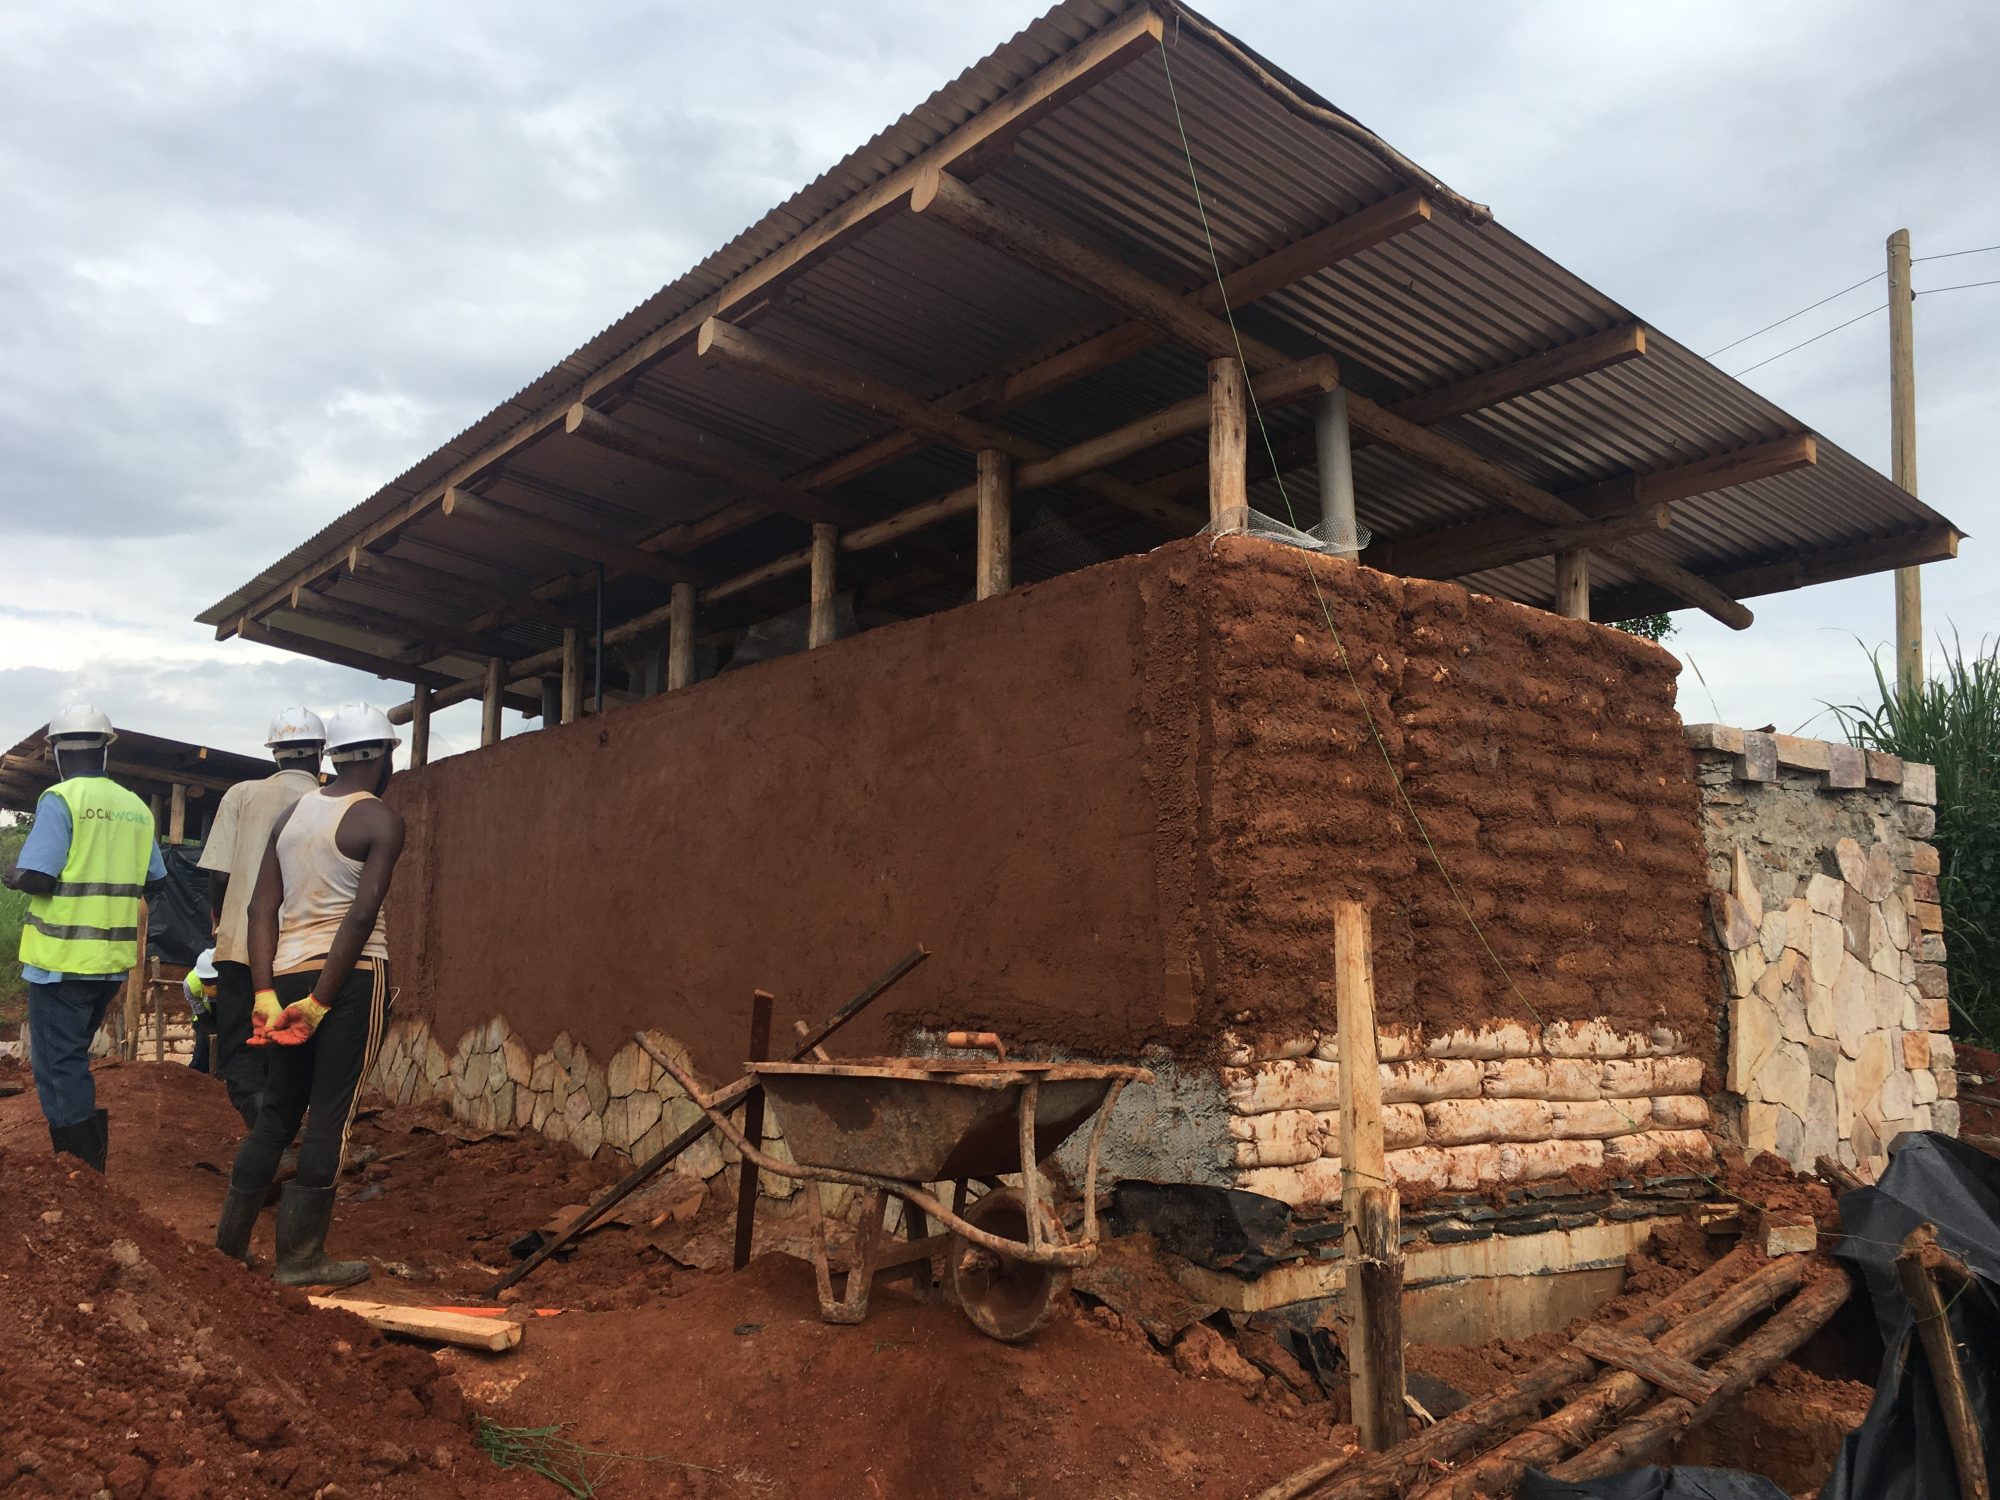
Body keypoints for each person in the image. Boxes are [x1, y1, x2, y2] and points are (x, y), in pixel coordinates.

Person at [215, 704, 404, 1287]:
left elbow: (259, 907)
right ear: (379, 754)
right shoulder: (379, 820)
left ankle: (227, 1248)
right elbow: (359, 917)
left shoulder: (294, 816)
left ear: (334, 755)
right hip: (349, 979)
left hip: (288, 971)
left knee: (277, 1110)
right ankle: (300, 1257)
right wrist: (323, 1002)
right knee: (331, 1114)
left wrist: (268, 992)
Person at [2, 705, 166, 1171]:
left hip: (61, 961)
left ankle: (80, 1172)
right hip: (111, 961)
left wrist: (13, 876)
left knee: (59, 1065)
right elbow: (155, 881)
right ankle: (84, 1164)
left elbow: (38, 875)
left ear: (56, 751)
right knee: (71, 1057)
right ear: (105, 749)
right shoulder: (134, 807)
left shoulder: (60, 799)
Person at [196, 708, 325, 1126]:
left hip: (242, 949)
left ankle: (266, 1139)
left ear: (275, 754)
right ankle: (294, 1139)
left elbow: (219, 872)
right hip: (308, 953)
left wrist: (224, 922)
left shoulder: (242, 795)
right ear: (320, 754)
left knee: (244, 1054)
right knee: (300, 1050)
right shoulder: (330, 802)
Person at [184, 947, 219, 1073]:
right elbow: (204, 1019)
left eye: (214, 981)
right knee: (201, 1056)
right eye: (206, 982)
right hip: (205, 1018)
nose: (210, 985)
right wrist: (214, 1046)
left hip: (231, 1014)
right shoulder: (190, 985)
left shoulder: (233, 981)